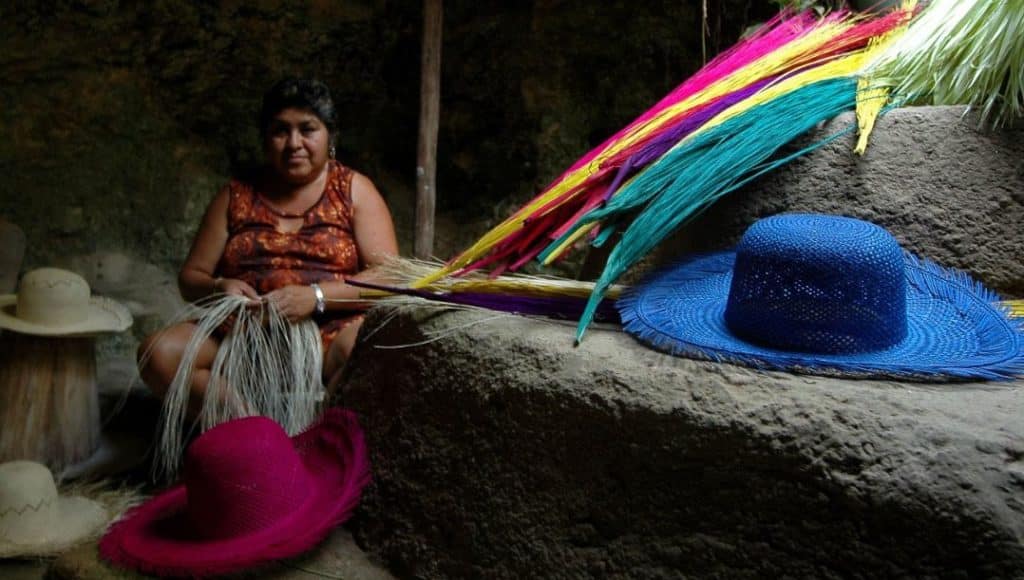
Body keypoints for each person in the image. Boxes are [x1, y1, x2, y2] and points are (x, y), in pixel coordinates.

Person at [139, 78, 398, 414]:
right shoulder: (236, 195)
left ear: (329, 136)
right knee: (157, 354)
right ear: (265, 138)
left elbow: (391, 277)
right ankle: (250, 428)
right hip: (246, 336)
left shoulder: (353, 190)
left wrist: (316, 297)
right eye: (280, 130)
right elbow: (191, 278)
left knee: (370, 353)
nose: (294, 143)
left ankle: (318, 442)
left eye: (308, 129)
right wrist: (220, 286)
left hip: (331, 332)